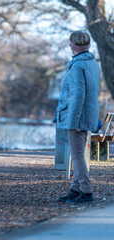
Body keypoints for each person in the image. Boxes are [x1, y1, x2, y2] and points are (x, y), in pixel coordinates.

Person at [54, 31, 100, 203]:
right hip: (87, 116)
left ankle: (86, 191)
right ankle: (75, 189)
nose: (69, 46)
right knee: (77, 154)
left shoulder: (78, 66)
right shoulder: (93, 63)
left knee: (77, 155)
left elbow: (78, 95)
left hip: (76, 117)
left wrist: (73, 122)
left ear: (74, 45)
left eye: (70, 44)